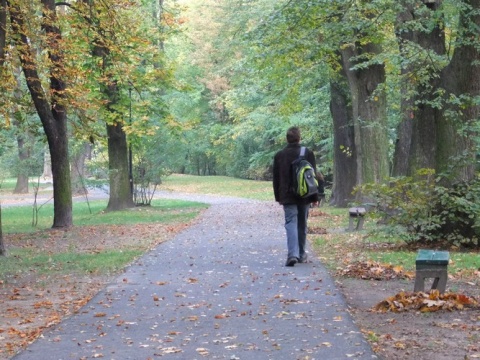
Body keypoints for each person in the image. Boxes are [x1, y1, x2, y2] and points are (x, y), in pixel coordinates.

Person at [273, 127, 319, 267]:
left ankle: (292, 254)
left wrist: (278, 196)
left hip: (287, 195)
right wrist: (315, 197)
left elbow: (276, 178)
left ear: (287, 139)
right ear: (299, 138)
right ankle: (301, 254)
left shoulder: (279, 155)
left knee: (291, 222)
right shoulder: (307, 153)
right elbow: (312, 176)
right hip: (305, 195)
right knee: (302, 223)